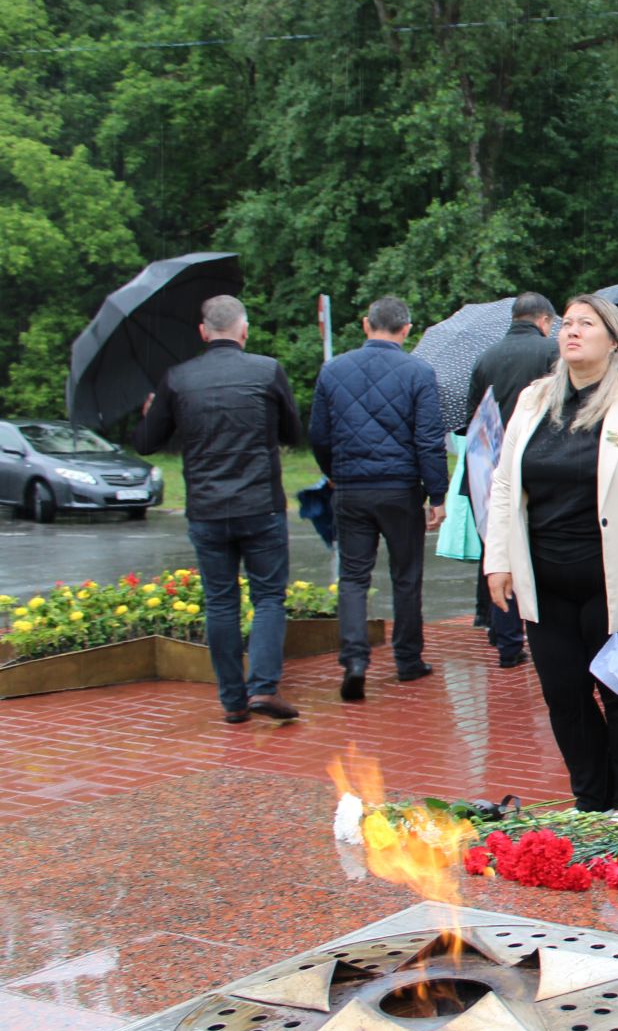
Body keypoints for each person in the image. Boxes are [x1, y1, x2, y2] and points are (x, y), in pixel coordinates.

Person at [484, 295, 618, 815]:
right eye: (566, 324)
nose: (572, 331)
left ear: (612, 339)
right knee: (565, 696)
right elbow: (503, 483)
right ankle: (591, 798)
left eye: (586, 323)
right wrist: (498, 559)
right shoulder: (535, 400)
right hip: (547, 579)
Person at [134, 295, 302, 724]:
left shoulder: (177, 378)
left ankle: (233, 701)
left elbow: (147, 442)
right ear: (243, 331)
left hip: (206, 509)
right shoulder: (267, 371)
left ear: (203, 332)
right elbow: (293, 432)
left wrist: (152, 412)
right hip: (260, 505)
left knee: (221, 602)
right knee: (268, 597)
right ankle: (263, 687)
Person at [309, 296, 448, 700]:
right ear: (406, 331)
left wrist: (334, 473)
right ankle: (408, 660)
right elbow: (428, 440)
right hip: (400, 490)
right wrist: (436, 492)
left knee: (353, 577)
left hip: (351, 487)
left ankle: (354, 660)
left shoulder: (332, 370)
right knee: (406, 576)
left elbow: (318, 434)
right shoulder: (419, 372)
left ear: (366, 325)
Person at [465, 292, 558, 668]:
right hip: (545, 463)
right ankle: (544, 631)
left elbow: (473, 418)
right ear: (545, 320)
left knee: (501, 544)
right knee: (541, 547)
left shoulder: (486, 357)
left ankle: (504, 638)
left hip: (496, 467)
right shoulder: (552, 353)